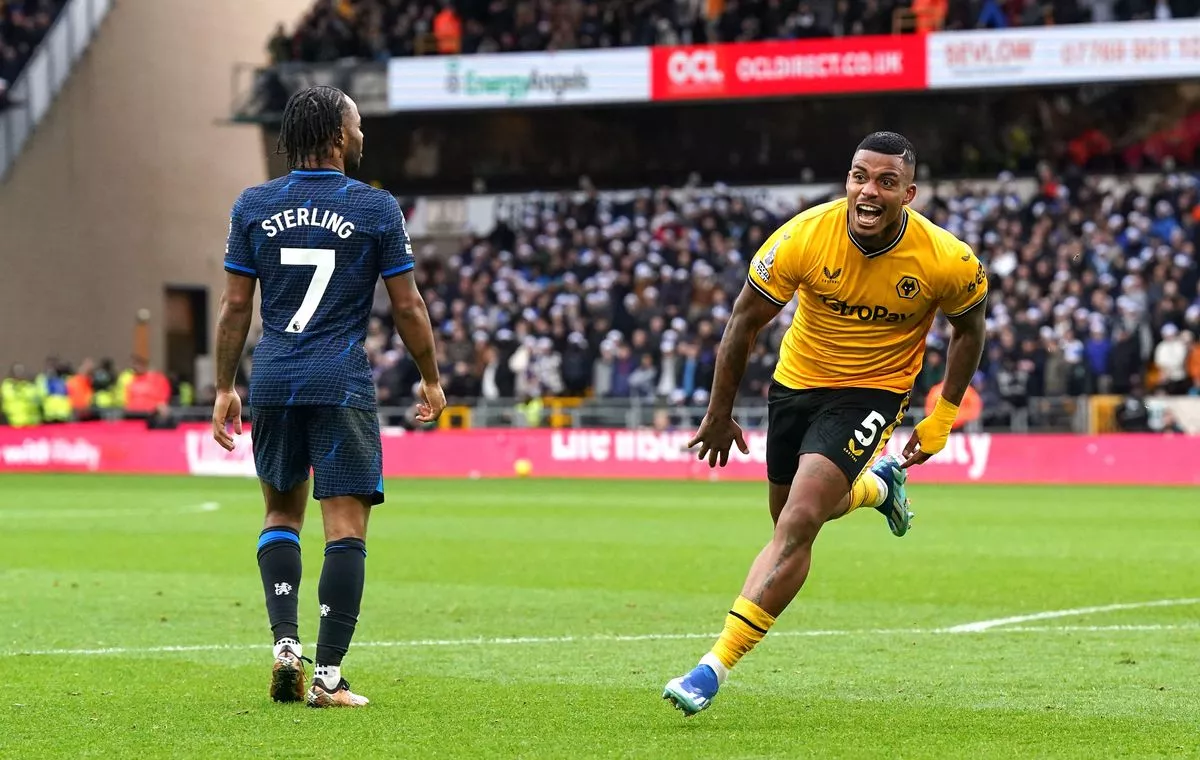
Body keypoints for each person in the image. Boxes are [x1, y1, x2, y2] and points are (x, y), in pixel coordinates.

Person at [662, 132, 988, 715]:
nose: (869, 191)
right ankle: (879, 485)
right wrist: (718, 413)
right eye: (860, 176)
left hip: (872, 393)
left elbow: (969, 329)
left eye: (887, 182)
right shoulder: (804, 236)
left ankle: (712, 666)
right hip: (796, 385)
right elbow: (743, 322)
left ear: (908, 194)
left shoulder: (947, 259)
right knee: (793, 515)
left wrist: (942, 415)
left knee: (801, 520)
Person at [212, 85, 445, 708]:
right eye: (359, 123)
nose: (363, 133)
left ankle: (285, 645)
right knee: (345, 527)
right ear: (340, 136)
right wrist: (429, 374)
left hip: (274, 378)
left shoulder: (253, 204)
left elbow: (237, 306)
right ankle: (329, 677)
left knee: (279, 515)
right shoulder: (375, 207)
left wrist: (224, 386)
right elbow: (407, 304)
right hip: (339, 379)